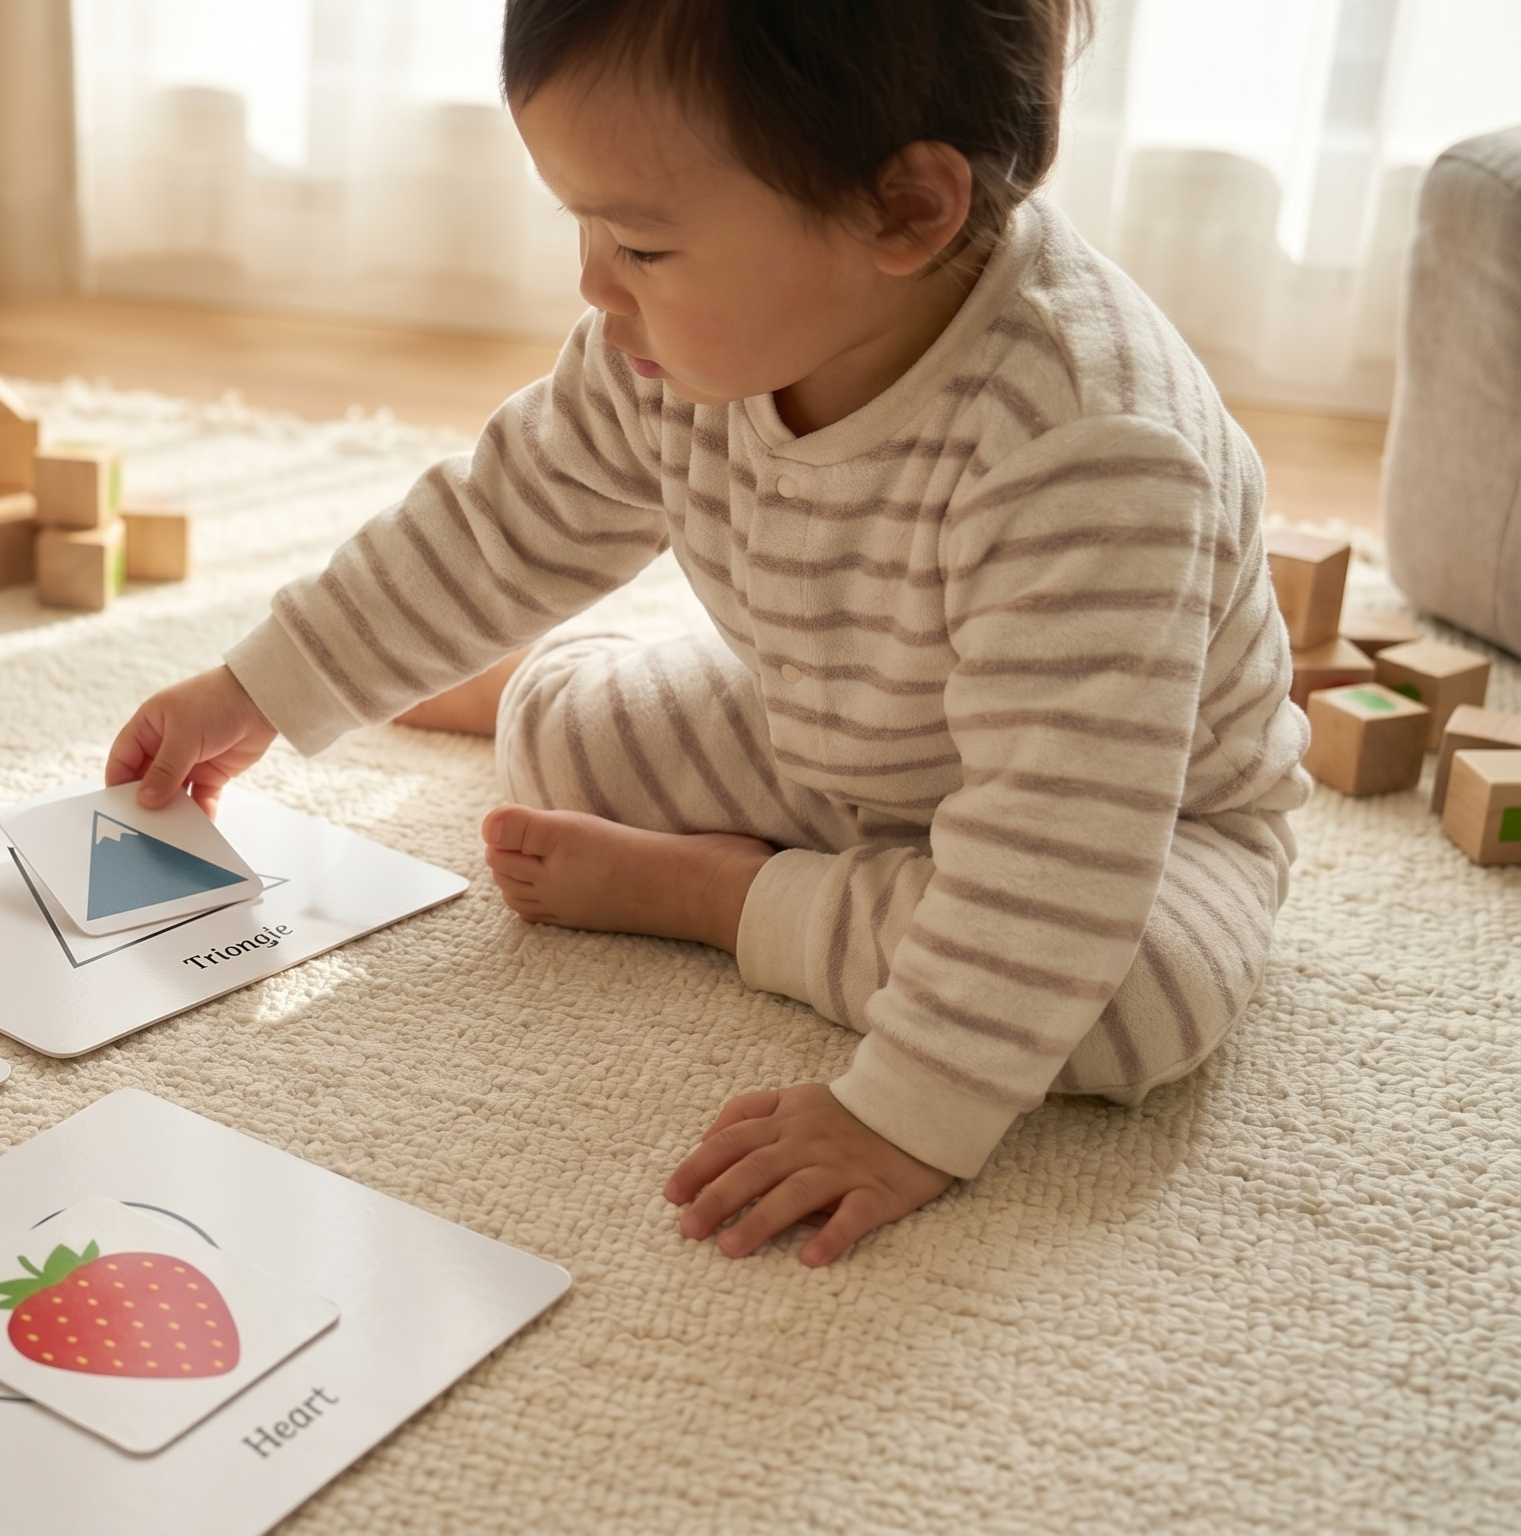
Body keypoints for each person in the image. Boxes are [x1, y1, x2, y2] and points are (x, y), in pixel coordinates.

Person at [104, 0, 1307, 1266]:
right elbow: (496, 523)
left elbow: (1058, 842)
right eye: (583, 224)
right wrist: (258, 687)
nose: (588, 282)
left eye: (636, 242)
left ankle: (725, 898)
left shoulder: (1086, 448)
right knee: (561, 743)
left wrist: (901, 1121)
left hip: (1138, 817)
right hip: (834, 728)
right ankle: (518, 681)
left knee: (1126, 1004)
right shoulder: (660, 353)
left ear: (906, 213)